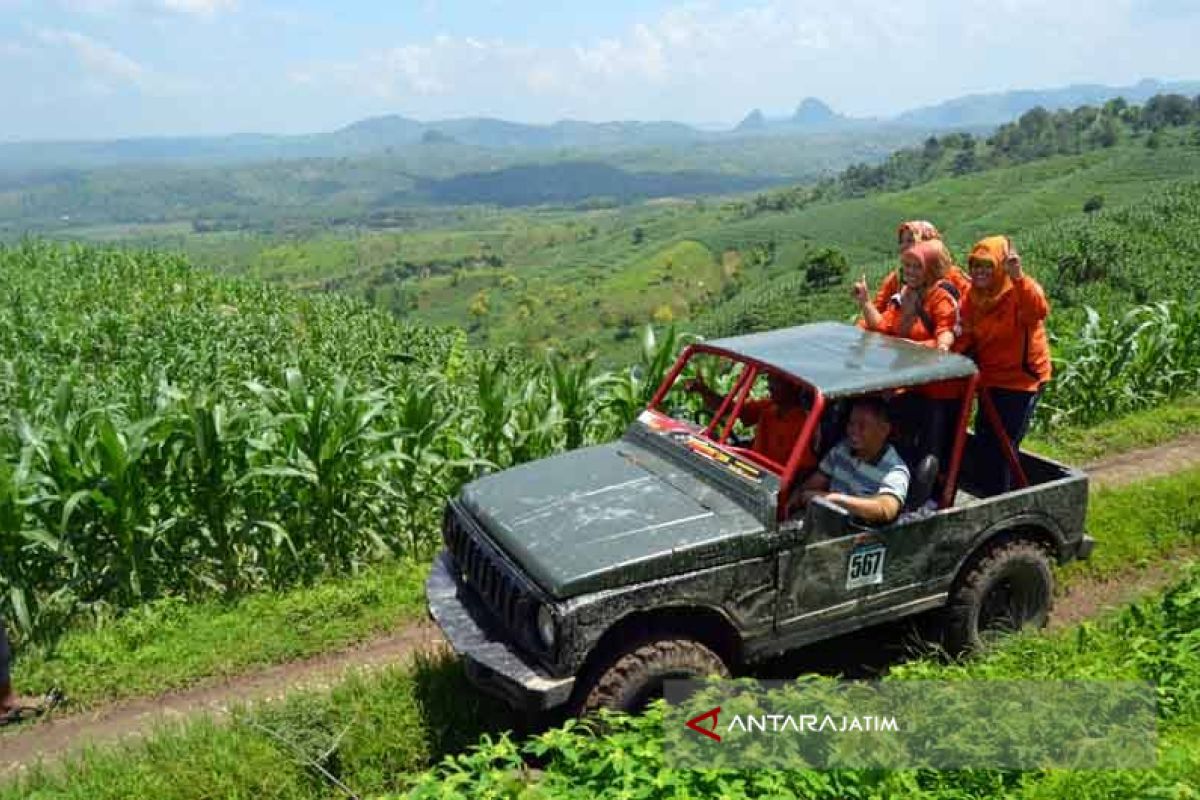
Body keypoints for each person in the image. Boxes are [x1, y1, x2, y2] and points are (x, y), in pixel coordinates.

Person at [955, 235, 1052, 494]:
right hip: (991, 378)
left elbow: (1038, 310)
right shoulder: (972, 298)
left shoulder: (1017, 292)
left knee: (1004, 445)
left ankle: (1002, 499)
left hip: (1022, 381)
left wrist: (1019, 276)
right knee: (985, 437)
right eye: (976, 265)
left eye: (988, 266)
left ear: (1000, 267)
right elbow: (965, 334)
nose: (980, 272)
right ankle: (992, 492)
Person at [795, 397, 910, 525]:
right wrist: (797, 498)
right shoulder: (841, 450)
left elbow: (886, 509)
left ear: (884, 430)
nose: (853, 431)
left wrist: (832, 499)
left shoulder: (895, 470)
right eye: (851, 424)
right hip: (825, 523)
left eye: (862, 426)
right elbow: (814, 483)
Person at [683, 372, 816, 471]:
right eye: (769, 379)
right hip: (749, 469)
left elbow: (803, 469)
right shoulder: (767, 407)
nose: (769, 386)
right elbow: (728, 408)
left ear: (794, 386)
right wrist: (703, 390)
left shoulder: (805, 422)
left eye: (776, 381)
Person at [853, 240, 960, 351]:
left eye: (918, 267)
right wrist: (865, 301)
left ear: (930, 270)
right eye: (908, 265)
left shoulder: (941, 297)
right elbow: (883, 326)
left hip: (927, 363)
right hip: (905, 361)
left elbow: (945, 331)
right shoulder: (904, 295)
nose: (910, 271)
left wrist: (942, 345)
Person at [871, 221, 970, 314]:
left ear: (926, 243)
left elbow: (971, 305)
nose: (904, 246)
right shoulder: (898, 278)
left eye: (910, 240)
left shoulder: (951, 274)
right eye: (902, 241)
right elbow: (876, 309)